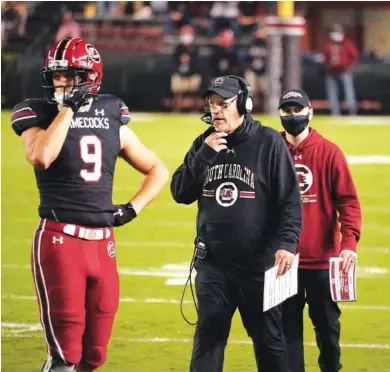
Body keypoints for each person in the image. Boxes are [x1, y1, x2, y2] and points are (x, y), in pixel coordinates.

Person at [11, 37, 168, 372]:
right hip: (60, 239)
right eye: (56, 75)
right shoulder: (37, 111)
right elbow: (40, 155)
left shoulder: (111, 112)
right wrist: (68, 109)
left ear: (90, 76)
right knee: (65, 354)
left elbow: (157, 169)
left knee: (94, 354)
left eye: (70, 75)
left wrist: (131, 208)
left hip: (103, 245)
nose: (61, 82)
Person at [170, 75, 303, 372]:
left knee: (269, 343)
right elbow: (180, 192)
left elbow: (290, 202)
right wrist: (204, 154)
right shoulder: (203, 143)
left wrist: (287, 244)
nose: (216, 110)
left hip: (260, 266)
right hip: (214, 265)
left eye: (223, 103)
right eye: (212, 104)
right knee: (208, 343)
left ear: (243, 104)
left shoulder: (269, 143)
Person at [278, 89, 361, 372]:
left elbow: (348, 202)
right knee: (286, 329)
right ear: (279, 114)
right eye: (286, 111)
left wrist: (349, 242)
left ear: (310, 112)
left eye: (297, 110)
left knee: (327, 327)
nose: (292, 116)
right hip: (283, 260)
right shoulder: (273, 150)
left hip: (323, 261)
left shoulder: (328, 152)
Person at [323, 24, 359, 116]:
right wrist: (327, 66)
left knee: (349, 92)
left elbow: (354, 56)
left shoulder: (347, 44)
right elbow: (325, 57)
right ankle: (335, 113)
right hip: (331, 72)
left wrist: (349, 67)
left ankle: (352, 112)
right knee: (332, 93)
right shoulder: (328, 45)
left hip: (344, 72)